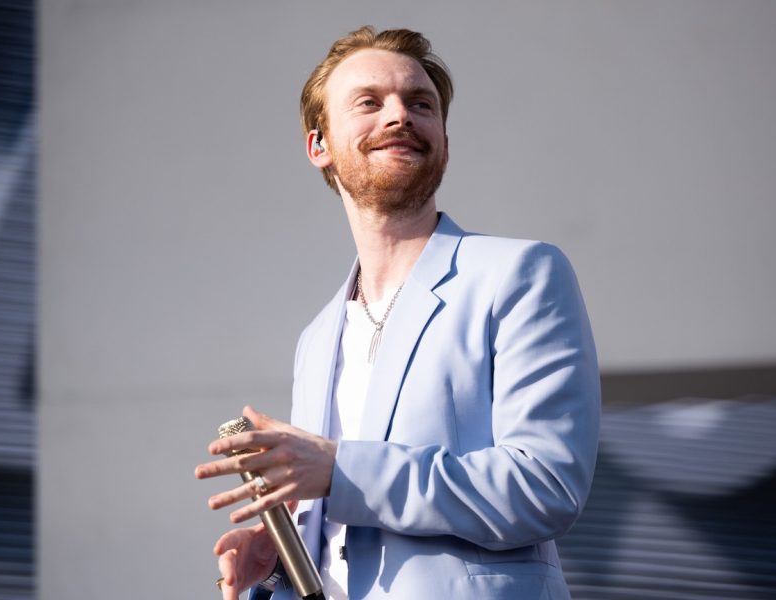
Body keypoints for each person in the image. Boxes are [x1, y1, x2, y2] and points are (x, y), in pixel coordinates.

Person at [195, 25, 600, 600]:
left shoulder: (521, 274)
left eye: (420, 104)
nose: (400, 116)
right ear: (320, 146)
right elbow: (344, 511)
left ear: (444, 139)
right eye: (369, 102)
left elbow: (545, 485)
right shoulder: (316, 340)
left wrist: (342, 471)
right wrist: (284, 555)